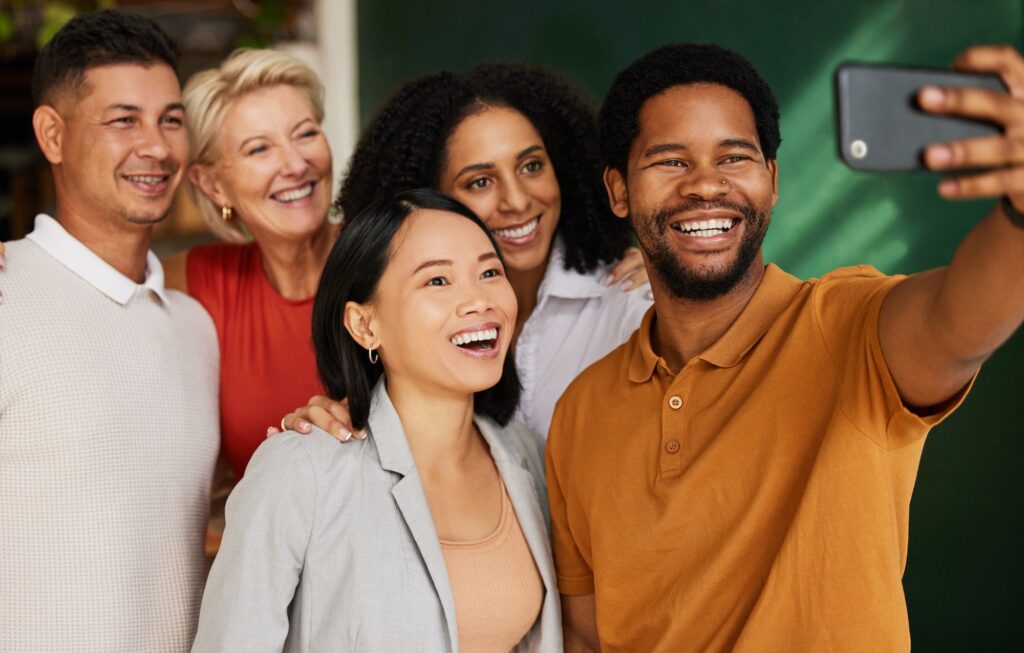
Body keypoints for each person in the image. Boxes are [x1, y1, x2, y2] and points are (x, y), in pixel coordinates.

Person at [546, 43, 1024, 652]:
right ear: (619, 191)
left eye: (734, 157)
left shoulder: (848, 327)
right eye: (670, 162)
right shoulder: (580, 411)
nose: (705, 185)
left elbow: (959, 323)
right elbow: (588, 637)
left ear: (771, 183)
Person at [192, 189, 561, 652]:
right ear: (365, 325)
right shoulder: (299, 471)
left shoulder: (527, 455)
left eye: (489, 272)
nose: (479, 300)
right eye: (437, 281)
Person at [0, 10, 218, 651]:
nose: (156, 147)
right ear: (53, 134)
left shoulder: (195, 328)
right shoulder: (7, 297)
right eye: (123, 120)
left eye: (170, 120)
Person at [283, 63, 652, 440]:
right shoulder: (402, 315)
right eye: (480, 182)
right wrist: (334, 422)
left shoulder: (627, 303)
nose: (517, 200)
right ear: (429, 199)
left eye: (531, 166)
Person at [160, 48, 337, 479]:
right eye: (260, 149)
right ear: (213, 185)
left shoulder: (391, 256)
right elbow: (85, 291)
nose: (296, 164)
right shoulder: (196, 280)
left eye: (306, 133)